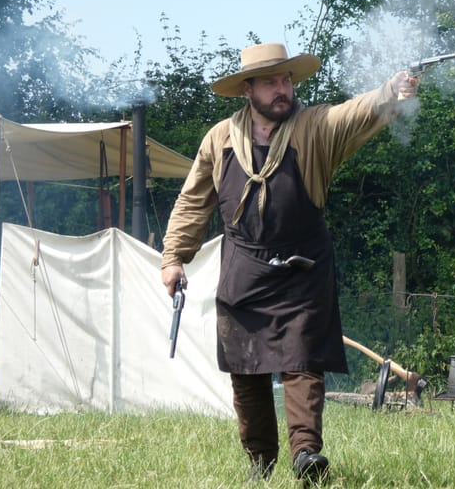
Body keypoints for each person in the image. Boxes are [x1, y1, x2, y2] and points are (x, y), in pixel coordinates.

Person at [160, 42, 417, 484]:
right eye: (271, 82)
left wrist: (388, 92)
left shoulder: (312, 126)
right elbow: (193, 202)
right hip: (244, 266)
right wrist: (174, 257)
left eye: (287, 81)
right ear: (248, 89)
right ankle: (260, 464)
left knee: (302, 361)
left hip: (303, 267)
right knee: (246, 369)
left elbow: (352, 114)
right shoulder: (220, 139)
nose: (283, 90)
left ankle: (305, 455)